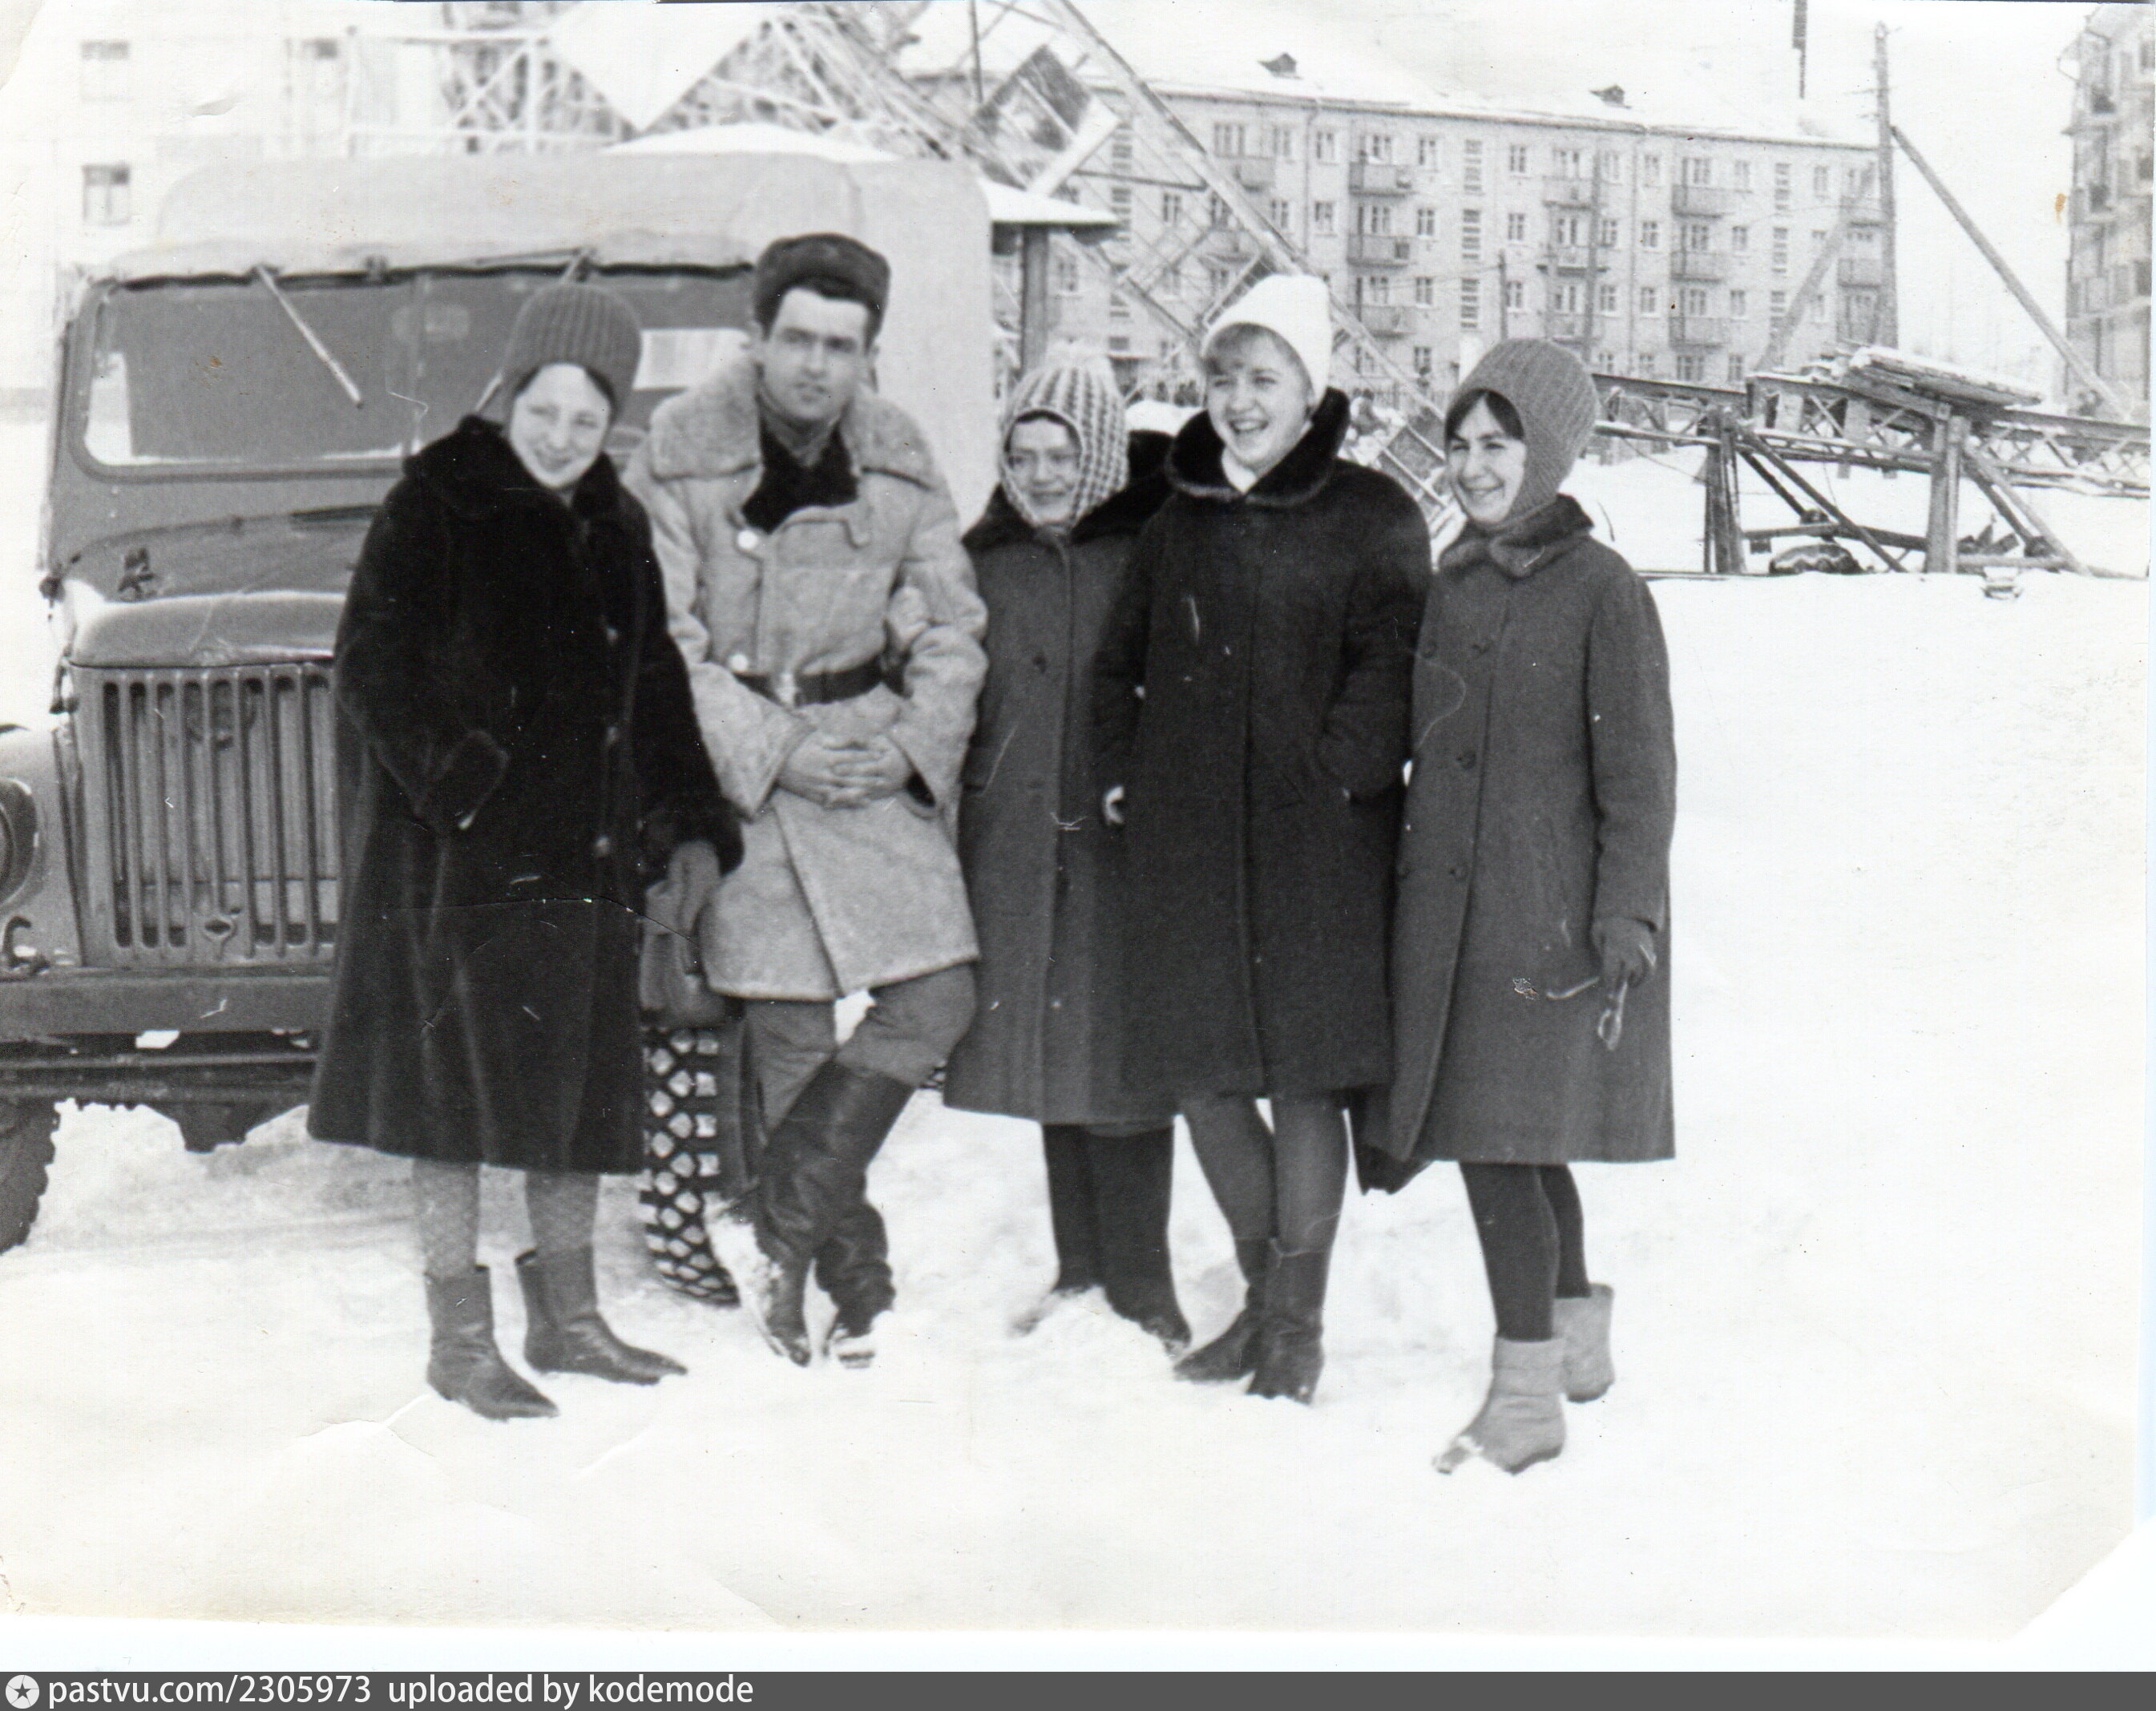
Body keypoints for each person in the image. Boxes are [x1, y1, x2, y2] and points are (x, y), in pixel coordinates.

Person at [312, 283, 739, 1421]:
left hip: (582, 867)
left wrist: (688, 818)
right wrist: (464, 785)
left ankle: (569, 1319)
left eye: (586, 418)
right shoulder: (439, 500)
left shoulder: (617, 524)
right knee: (446, 1109)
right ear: (509, 395)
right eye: (544, 409)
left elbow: (655, 685)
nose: (560, 435)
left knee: (574, 1100)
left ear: (611, 421)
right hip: (457, 870)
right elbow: (369, 662)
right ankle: (459, 1340)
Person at [624, 233, 986, 1370]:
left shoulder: (900, 457)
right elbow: (661, 642)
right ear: (757, 338)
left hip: (865, 754)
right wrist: (773, 750)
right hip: (742, 769)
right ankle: (854, 1289)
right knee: (787, 1031)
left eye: (842, 345)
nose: (816, 365)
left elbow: (951, 626)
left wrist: (909, 745)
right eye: (797, 340)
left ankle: (766, 1227)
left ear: (867, 354)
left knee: (937, 992)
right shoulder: (680, 454)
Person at [1094, 276, 1427, 1403]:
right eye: (1222, 377)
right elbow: (1116, 664)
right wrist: (1119, 774)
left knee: (1304, 1083)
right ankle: (1262, 1293)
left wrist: (1336, 773)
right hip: (1188, 844)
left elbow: (1394, 664)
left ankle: (1294, 1327)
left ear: (1310, 389)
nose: (1239, 401)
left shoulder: (1371, 514)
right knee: (1201, 1074)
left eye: (1263, 378)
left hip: (1317, 849)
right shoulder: (1176, 517)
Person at [1386, 339, 1676, 1475]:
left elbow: (1639, 779)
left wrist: (1626, 915)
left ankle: (1522, 1401)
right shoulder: (1450, 581)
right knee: (1522, 1141)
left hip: (1546, 923)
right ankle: (1577, 1350)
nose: (1470, 466)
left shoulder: (1605, 591)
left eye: (1496, 445)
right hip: (1449, 921)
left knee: (1496, 1143)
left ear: (1545, 455)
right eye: (1458, 444)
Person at [939, 363, 1188, 1352]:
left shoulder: (1149, 552)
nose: (1041, 475)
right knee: (1051, 1050)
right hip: (1013, 841)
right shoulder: (983, 561)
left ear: (1101, 457)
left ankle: (1146, 1287)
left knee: (1120, 1059)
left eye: (1061, 455)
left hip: (1121, 843)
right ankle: (1080, 1271)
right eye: (1023, 455)